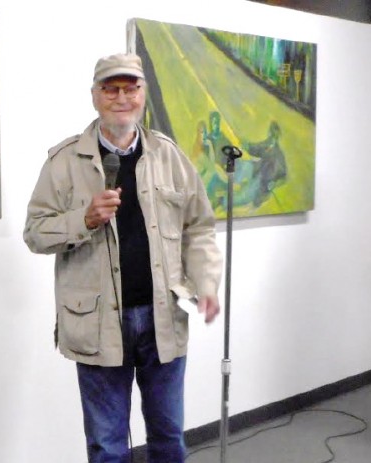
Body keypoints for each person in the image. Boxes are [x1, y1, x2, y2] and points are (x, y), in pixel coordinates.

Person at [23, 53, 223, 462]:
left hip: (162, 316)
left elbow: (199, 227)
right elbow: (35, 234)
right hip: (97, 324)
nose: (121, 98)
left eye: (131, 88)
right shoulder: (63, 162)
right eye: (111, 89)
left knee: (168, 437)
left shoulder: (169, 156)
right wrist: (84, 219)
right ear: (95, 96)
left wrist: (206, 283)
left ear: (143, 94)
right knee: (107, 445)